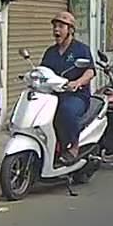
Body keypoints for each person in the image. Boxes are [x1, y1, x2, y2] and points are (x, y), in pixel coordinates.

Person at [41, 12, 96, 165]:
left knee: (66, 110)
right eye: (54, 26)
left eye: (60, 27)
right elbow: (43, 71)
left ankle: (74, 146)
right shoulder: (50, 52)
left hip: (76, 95)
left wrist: (78, 82)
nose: (56, 30)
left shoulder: (81, 49)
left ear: (70, 30)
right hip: (53, 94)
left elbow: (90, 71)